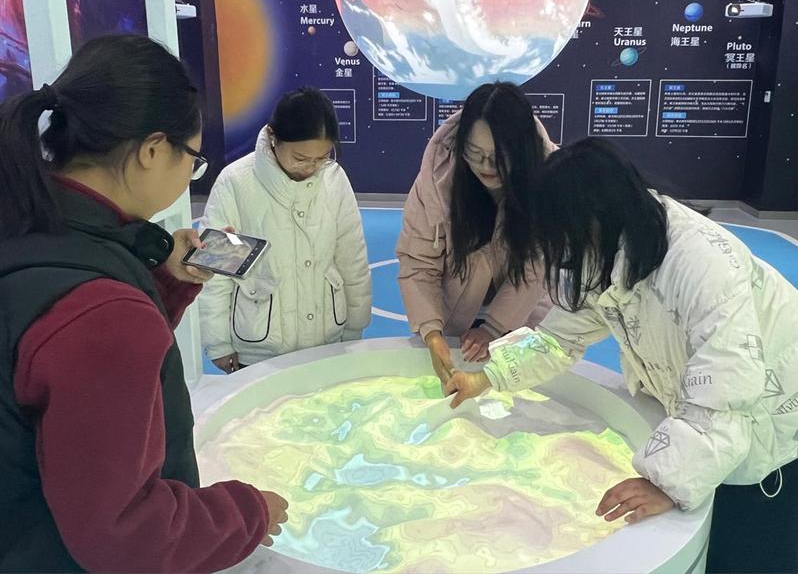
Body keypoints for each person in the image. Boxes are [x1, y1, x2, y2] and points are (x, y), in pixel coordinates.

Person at [0, 35, 287, 573]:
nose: (189, 174)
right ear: (153, 150)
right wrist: (246, 513)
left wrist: (160, 284)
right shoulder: (104, 315)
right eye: (193, 159)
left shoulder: (27, 220)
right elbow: (123, 534)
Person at [445, 138, 798, 573]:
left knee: (750, 550)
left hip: (772, 423)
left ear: (590, 219)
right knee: (710, 519)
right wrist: (488, 377)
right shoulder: (602, 248)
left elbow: (725, 390)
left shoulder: (702, 266)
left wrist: (666, 481)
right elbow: (560, 338)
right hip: (716, 428)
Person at [199, 87, 371, 372]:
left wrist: (354, 328)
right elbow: (217, 273)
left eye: (321, 157)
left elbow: (351, 260)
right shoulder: (236, 183)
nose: (311, 167)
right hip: (259, 349)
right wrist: (218, 343)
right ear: (273, 138)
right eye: (300, 157)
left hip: (326, 341)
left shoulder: (335, 180)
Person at [396, 82, 556, 386]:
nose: (486, 165)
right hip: (453, 312)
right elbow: (418, 262)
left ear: (522, 150)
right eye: (474, 152)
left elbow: (537, 267)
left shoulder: (549, 180)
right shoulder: (434, 183)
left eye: (499, 155)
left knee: (519, 393)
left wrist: (493, 328)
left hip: (525, 311)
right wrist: (432, 332)